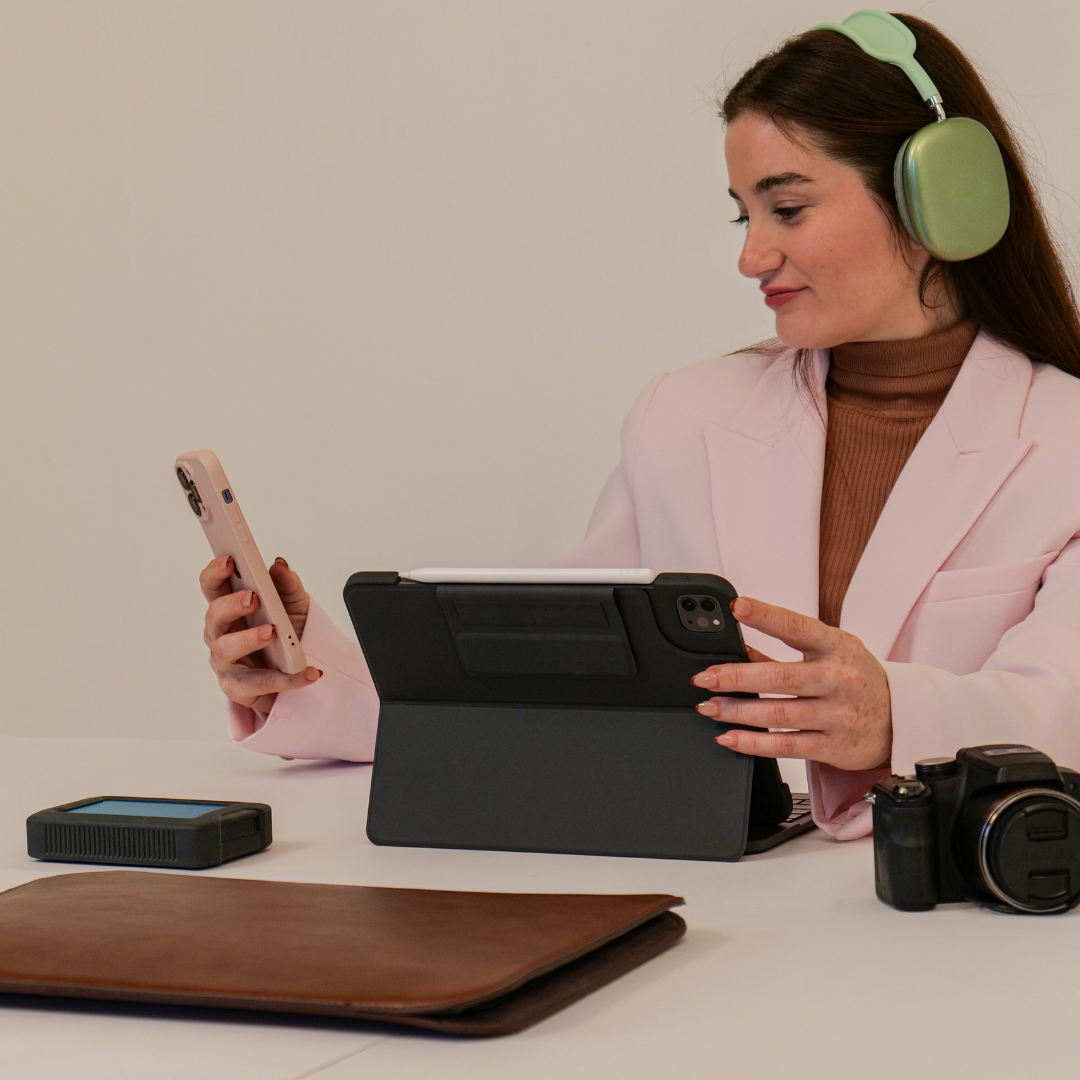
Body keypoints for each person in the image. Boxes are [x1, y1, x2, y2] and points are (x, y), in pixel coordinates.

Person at [198, 13, 1080, 840]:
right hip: (717, 911)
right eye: (744, 214)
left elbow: (1063, 708)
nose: (751, 255)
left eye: (789, 208)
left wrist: (898, 716)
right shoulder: (685, 417)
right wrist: (306, 672)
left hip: (956, 932)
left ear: (940, 200)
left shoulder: (1064, 441)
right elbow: (554, 686)